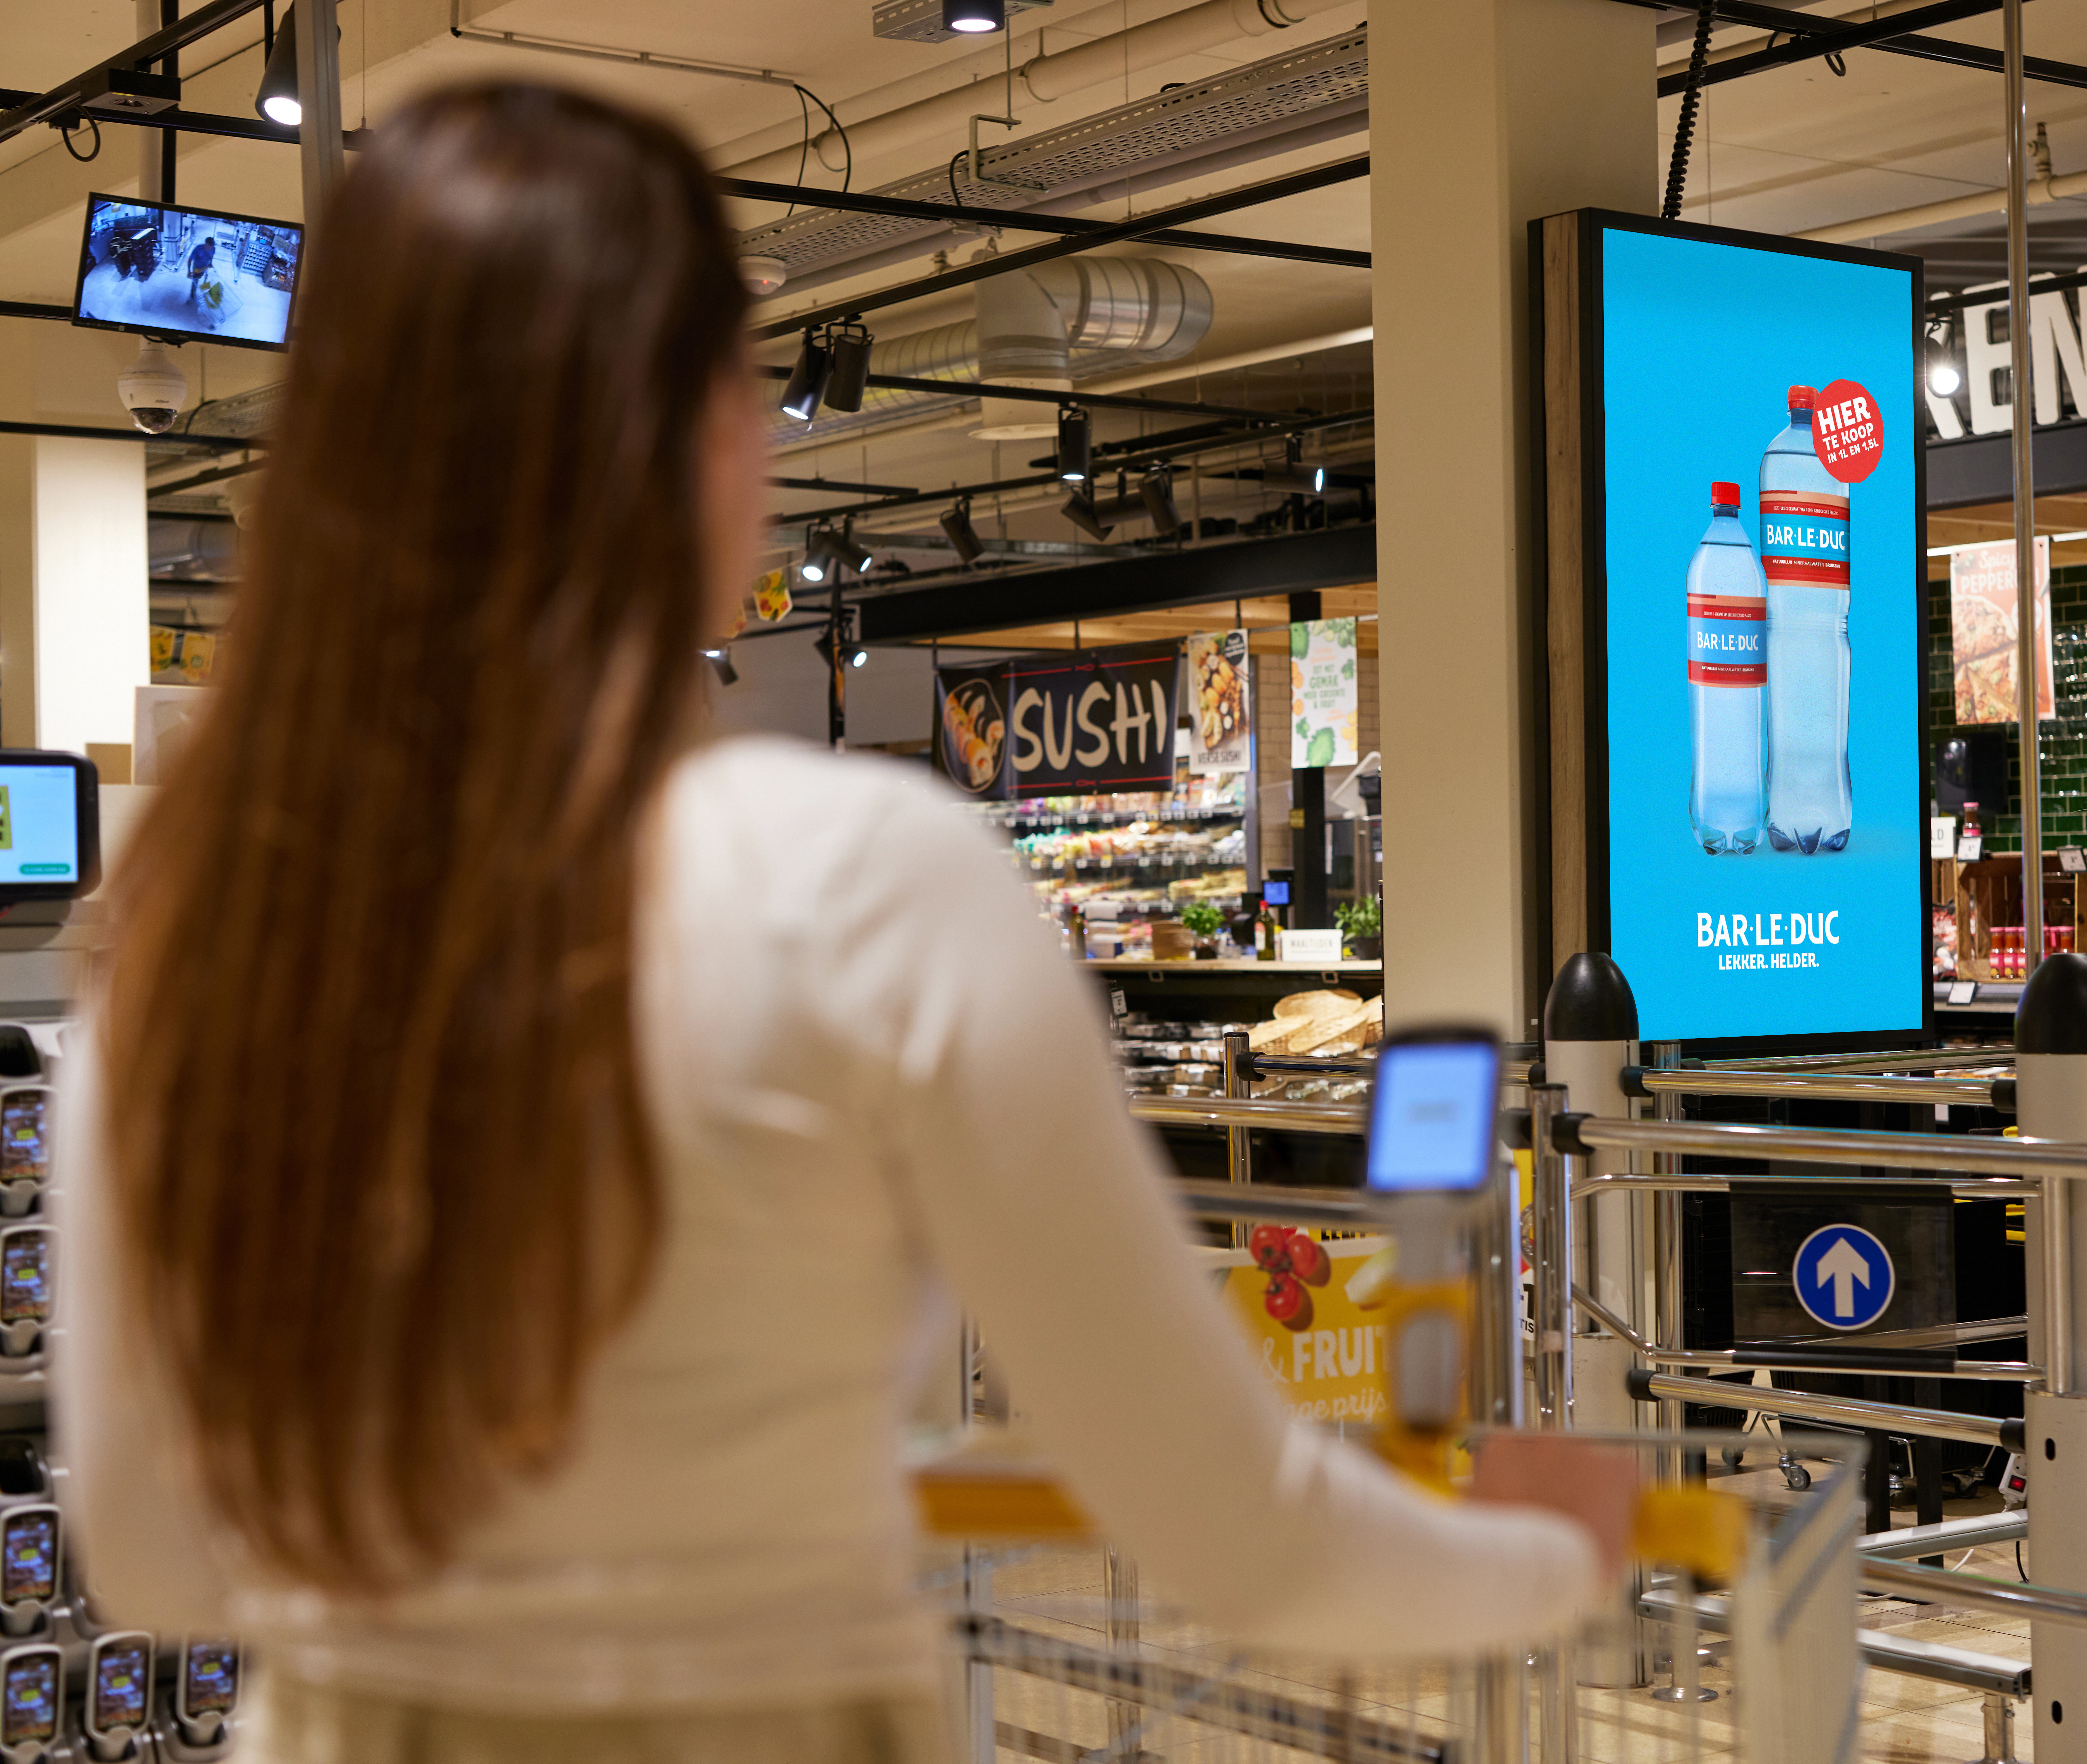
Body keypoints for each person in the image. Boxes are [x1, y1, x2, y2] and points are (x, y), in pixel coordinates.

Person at [56, 81, 1625, 1763]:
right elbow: (1229, 1523)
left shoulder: (186, 942)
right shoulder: (876, 884)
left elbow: (150, 1551)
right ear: (703, 444)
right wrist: (1548, 1548)